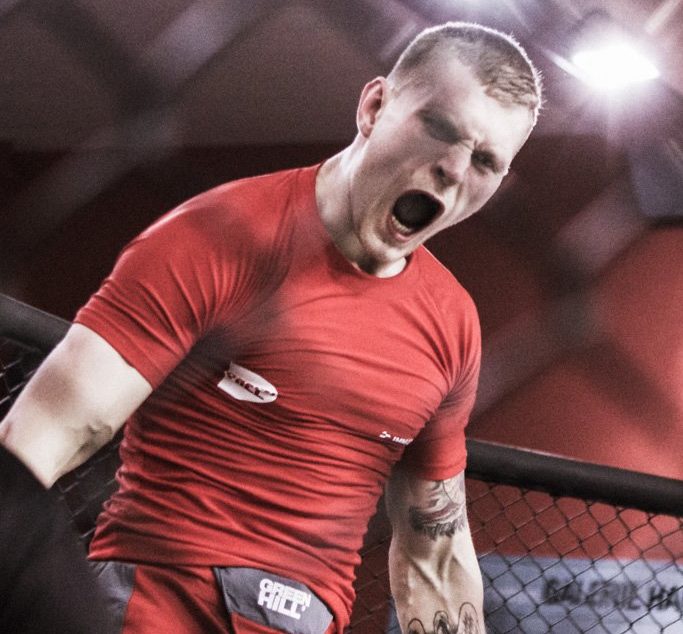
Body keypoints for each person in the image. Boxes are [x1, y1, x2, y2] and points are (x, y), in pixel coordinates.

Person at [0, 21, 541, 634]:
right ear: (374, 107)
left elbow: (433, 558)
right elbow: (39, 441)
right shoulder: (219, 238)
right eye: (440, 128)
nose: (453, 168)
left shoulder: (451, 324)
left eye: (486, 161)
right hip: (159, 609)